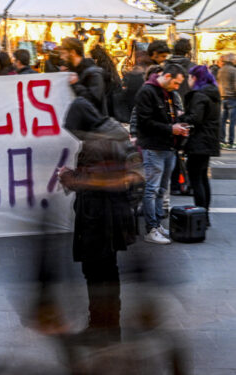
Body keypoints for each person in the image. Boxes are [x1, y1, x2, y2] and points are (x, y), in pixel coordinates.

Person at [59, 97, 136, 343]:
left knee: (96, 273)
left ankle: (102, 329)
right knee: (108, 272)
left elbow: (95, 180)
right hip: (114, 214)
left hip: (98, 217)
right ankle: (109, 327)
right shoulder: (114, 130)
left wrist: (69, 177)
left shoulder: (96, 143)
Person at [135, 63, 189, 244]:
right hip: (154, 148)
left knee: (161, 190)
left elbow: (169, 118)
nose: (177, 87)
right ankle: (150, 228)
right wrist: (171, 129)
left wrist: (179, 126)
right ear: (167, 77)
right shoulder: (147, 92)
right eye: (176, 83)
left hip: (168, 148)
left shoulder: (170, 94)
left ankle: (156, 224)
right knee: (152, 189)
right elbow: (145, 122)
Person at [180, 65, 221, 226]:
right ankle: (205, 215)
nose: (188, 81)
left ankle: (201, 216)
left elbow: (196, 118)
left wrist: (181, 117)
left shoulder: (200, 95)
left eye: (190, 77)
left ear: (195, 78)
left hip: (199, 141)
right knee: (203, 178)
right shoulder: (212, 93)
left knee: (196, 179)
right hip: (209, 141)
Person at [60, 37, 106, 115]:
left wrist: (76, 84)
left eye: (64, 53)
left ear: (73, 52)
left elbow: (93, 102)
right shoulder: (71, 70)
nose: (61, 57)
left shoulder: (94, 73)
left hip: (91, 124)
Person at [90, 44, 121, 116]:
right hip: (115, 99)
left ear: (95, 59)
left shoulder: (100, 70)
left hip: (109, 101)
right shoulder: (108, 65)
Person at [218, 53, 236, 148]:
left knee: (223, 121)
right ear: (232, 60)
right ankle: (231, 141)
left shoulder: (221, 70)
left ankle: (221, 140)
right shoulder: (234, 70)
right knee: (232, 121)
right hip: (232, 98)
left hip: (223, 97)